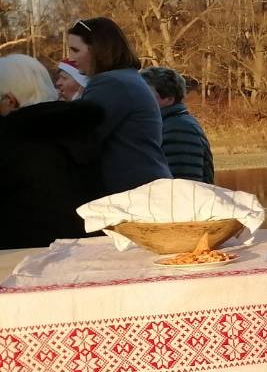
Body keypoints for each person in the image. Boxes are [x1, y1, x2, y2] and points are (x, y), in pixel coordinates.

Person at [0, 54, 106, 248]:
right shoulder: (79, 128)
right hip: (86, 248)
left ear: (10, 101)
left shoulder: (10, 141)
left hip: (22, 256)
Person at [64, 17, 170, 193]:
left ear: (97, 49)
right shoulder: (127, 78)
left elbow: (80, 137)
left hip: (132, 193)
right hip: (146, 187)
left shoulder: (110, 83)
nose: (71, 58)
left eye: (76, 50)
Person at [140, 66, 215, 182]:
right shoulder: (164, 125)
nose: (139, 98)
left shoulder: (180, 129)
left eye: (145, 93)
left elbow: (182, 188)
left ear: (169, 98)